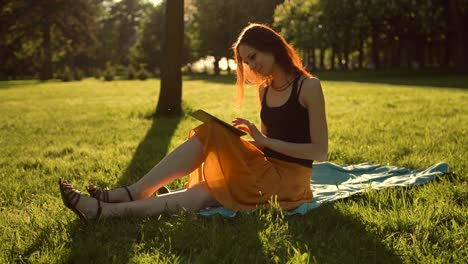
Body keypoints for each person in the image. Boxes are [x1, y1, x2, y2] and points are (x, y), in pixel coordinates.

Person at [59, 23, 328, 220]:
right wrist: (243, 145)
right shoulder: (264, 90)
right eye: (246, 61)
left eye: (253, 57)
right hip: (266, 169)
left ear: (270, 46)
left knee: (210, 155)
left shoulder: (308, 87)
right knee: (204, 187)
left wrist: (263, 141)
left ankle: (131, 194)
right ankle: (108, 211)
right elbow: (269, 147)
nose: (251, 66)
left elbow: (319, 151)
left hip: (291, 182)